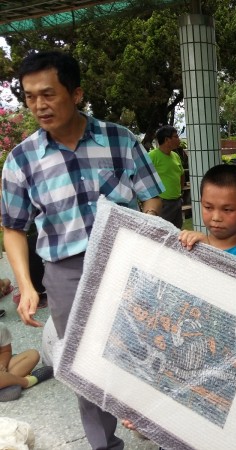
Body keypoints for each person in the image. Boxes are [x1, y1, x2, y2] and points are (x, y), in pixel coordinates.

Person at [1, 50, 164, 450]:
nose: (38, 105)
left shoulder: (119, 140)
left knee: (148, 347)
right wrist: (27, 284)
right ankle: (104, 444)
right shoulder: (22, 159)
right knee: (86, 364)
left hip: (127, 261)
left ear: (76, 94)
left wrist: (145, 237)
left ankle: (160, 425)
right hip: (66, 273)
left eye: (48, 94)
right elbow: (12, 228)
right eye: (29, 96)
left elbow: (152, 198)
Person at [124, 163, 236, 449]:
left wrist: (208, 251)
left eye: (228, 209)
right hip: (184, 366)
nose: (216, 217)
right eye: (208, 207)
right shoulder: (185, 247)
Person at [0, 323, 53, 402]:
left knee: (33, 355)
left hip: (3, 371)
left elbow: (6, 351)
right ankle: (27, 382)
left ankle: (7, 383)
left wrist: (2, 364)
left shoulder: (1, 327)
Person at [149, 125, 185, 228]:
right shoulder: (152, 156)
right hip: (163, 203)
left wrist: (181, 191)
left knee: (177, 231)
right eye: (176, 136)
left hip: (177, 201)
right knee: (162, 231)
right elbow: (143, 176)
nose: (179, 139)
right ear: (167, 140)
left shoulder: (175, 155)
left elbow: (181, 174)